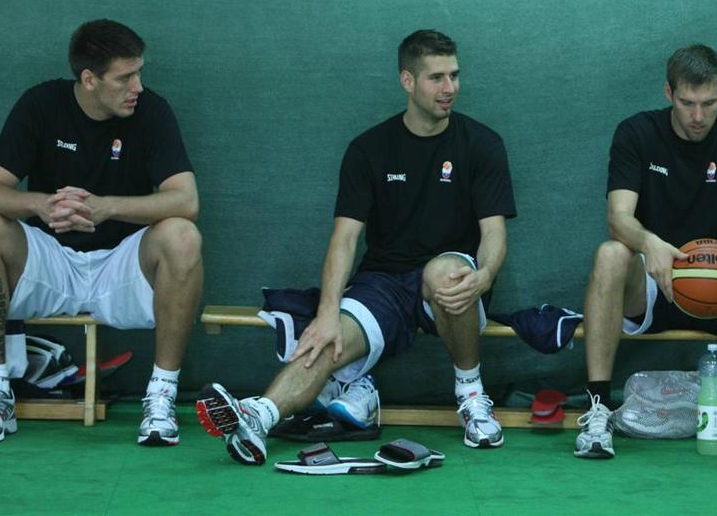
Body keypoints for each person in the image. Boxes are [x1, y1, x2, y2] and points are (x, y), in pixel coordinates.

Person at [196, 29, 516, 465]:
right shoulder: (369, 149)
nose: (450, 88)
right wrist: (328, 312)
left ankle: (472, 396)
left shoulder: (481, 144)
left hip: (450, 281)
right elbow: (344, 239)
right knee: (325, 341)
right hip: (384, 283)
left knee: (446, 274)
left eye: (454, 76)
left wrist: (485, 276)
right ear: (407, 81)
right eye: (436, 78)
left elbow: (494, 233)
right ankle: (257, 417)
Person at [0, 19, 202, 446]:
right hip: (48, 263)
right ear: (89, 79)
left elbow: (187, 201)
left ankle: (161, 395)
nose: (138, 87)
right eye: (125, 78)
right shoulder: (41, 104)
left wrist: (106, 208)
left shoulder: (152, 111)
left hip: (121, 267)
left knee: (182, 235)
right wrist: (42, 204)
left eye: (139, 73)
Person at [575, 44, 717, 460]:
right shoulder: (637, 132)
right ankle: (598, 410)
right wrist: (649, 243)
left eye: (709, 103)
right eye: (687, 103)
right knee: (611, 253)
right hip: (654, 283)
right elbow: (618, 217)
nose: (698, 115)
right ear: (669, 93)